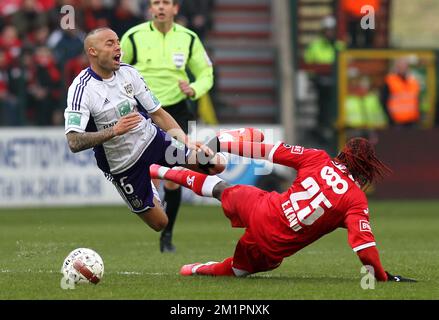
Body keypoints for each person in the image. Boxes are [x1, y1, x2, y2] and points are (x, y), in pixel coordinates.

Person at [149, 136, 416, 282]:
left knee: (220, 189)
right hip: (270, 246)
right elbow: (365, 251)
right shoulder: (355, 200)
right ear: (368, 168)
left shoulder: (317, 158)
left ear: (343, 153)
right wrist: (382, 277)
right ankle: (195, 270)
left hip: (262, 206)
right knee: (236, 271)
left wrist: (221, 143)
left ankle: (158, 169)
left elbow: (266, 150)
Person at [64, 27, 224, 234]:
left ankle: (161, 170)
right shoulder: (81, 89)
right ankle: (155, 173)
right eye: (110, 43)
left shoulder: (129, 73)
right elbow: (74, 142)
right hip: (122, 164)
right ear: (93, 51)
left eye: (118, 42)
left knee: (215, 165)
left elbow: (157, 113)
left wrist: (185, 141)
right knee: (160, 223)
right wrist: (114, 131)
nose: (118, 47)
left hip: (151, 139)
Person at [120, 0, 214, 253]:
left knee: (173, 177)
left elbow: (206, 72)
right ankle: (153, 214)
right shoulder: (133, 37)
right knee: (150, 172)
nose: (161, 7)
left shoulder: (189, 38)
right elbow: (116, 69)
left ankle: (166, 236)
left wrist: (195, 88)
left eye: (166, 3)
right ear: (151, 8)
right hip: (143, 111)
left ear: (176, 8)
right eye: (156, 2)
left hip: (177, 112)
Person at [304, 16, 345, 145]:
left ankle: (333, 130)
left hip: (337, 83)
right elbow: (309, 62)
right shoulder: (315, 46)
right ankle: (323, 130)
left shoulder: (339, 46)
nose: (329, 33)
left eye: (331, 30)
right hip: (321, 81)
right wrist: (314, 76)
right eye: (327, 30)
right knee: (322, 107)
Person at [380, 58, 421, 127]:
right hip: (396, 122)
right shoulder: (389, 81)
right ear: (395, 67)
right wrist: (390, 118)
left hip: (412, 121)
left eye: (404, 66)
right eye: (400, 66)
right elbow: (383, 100)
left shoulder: (413, 81)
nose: (402, 68)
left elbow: (417, 100)